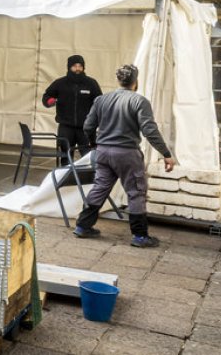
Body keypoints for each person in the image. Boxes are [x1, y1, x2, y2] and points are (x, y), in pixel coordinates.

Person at [74, 64, 175, 247]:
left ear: (118, 80)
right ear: (135, 82)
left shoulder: (101, 100)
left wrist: (94, 143)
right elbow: (149, 130)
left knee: (100, 187)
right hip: (127, 154)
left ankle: (82, 226)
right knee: (136, 191)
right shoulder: (139, 101)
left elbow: (88, 126)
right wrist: (166, 154)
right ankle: (140, 236)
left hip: (103, 152)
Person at [42, 54, 102, 161]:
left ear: (83, 67)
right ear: (69, 67)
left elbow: (100, 101)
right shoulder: (60, 83)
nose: (77, 68)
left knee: (88, 157)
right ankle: (66, 176)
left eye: (80, 66)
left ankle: (88, 177)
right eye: (74, 66)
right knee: (66, 157)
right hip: (66, 127)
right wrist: (49, 101)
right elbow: (46, 96)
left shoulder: (91, 83)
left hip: (86, 128)